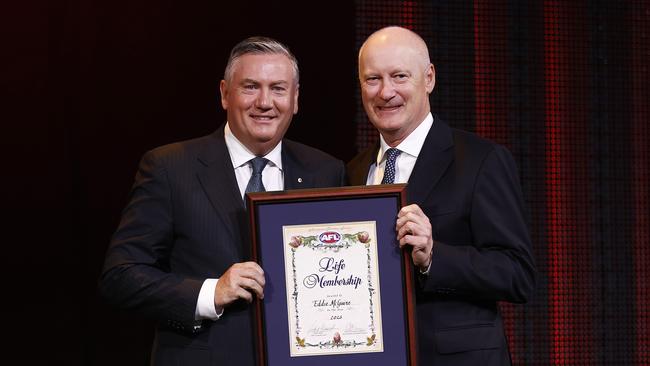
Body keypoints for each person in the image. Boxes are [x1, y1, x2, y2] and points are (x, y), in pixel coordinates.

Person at [99, 36, 346, 366]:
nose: (264, 101)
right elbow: (121, 276)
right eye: (250, 87)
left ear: (296, 98)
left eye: (278, 88)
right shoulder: (170, 167)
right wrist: (209, 293)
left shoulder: (326, 171)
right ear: (224, 94)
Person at [347, 26, 536, 365]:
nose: (386, 92)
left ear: (429, 78)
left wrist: (434, 257)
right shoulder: (352, 171)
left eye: (400, 76)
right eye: (372, 79)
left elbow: (517, 274)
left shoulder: (481, 160)